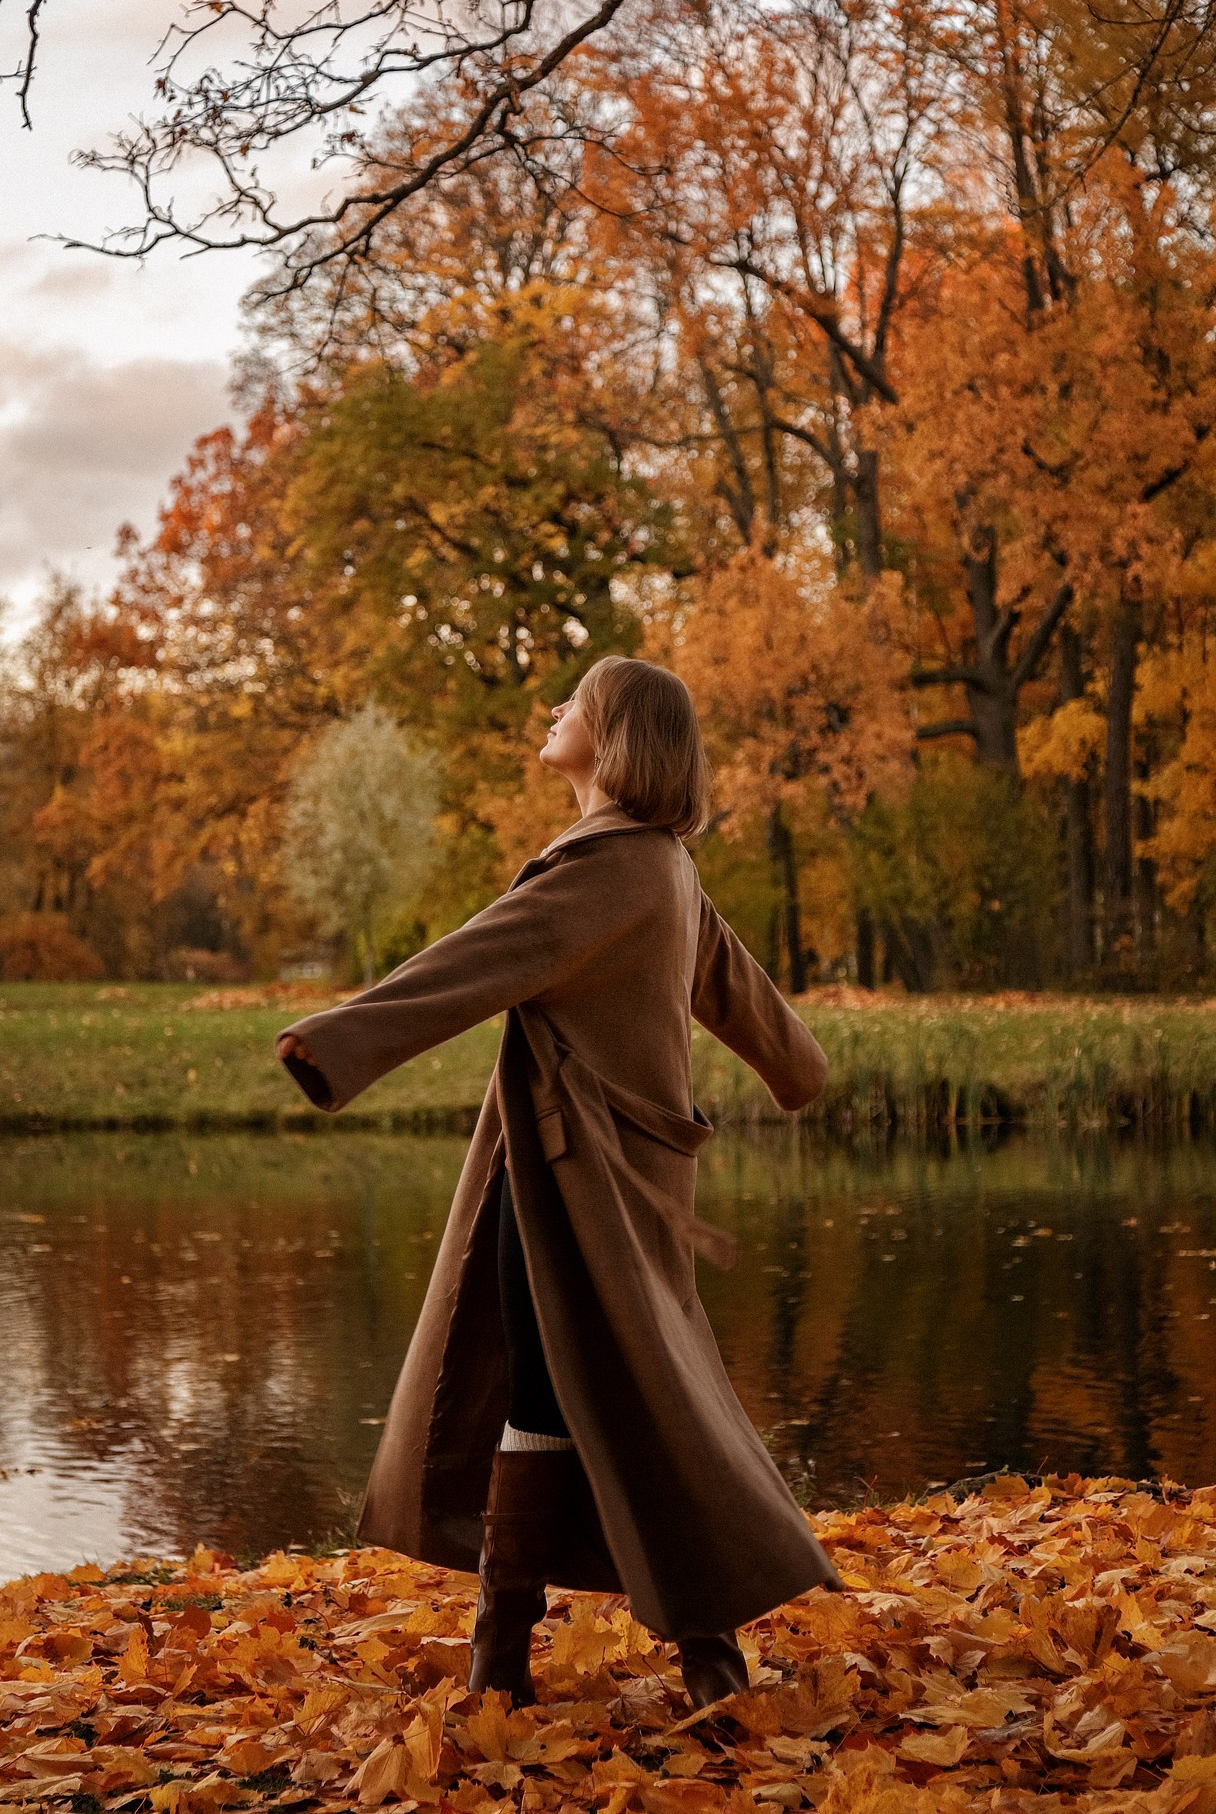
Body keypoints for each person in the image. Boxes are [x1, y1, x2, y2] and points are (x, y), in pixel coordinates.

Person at [276, 656, 840, 1710]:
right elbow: (751, 1004)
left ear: (616, 736)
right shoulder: (663, 868)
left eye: (573, 703)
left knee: (589, 1398)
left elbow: (469, 962)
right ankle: (654, 1653)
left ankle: (533, 1654)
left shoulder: (604, 871)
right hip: (603, 1179)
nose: (552, 710)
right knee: (628, 1392)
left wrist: (334, 1044)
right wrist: (799, 1072)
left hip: (576, 1182)